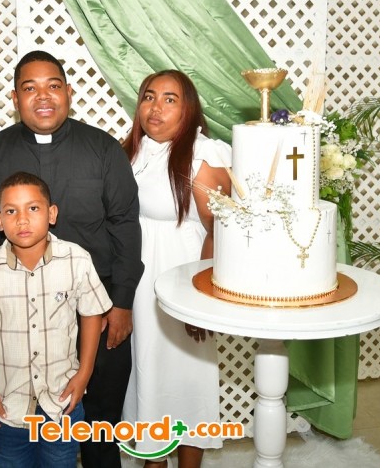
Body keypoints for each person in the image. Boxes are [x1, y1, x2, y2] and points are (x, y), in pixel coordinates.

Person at [0, 50, 143, 468]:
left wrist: (122, 302)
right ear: (15, 98)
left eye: (53, 86)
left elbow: (125, 226)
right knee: (23, 426)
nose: (43, 96)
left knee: (100, 424)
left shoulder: (103, 150)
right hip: (18, 313)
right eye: (30, 88)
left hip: (98, 309)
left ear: (69, 93)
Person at [0, 172, 112, 467]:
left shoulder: (76, 259)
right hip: (7, 407)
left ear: (51, 214)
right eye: (11, 211)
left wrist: (84, 374)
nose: (22, 219)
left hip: (61, 405)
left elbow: (92, 314)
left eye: (33, 208)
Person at [121, 70, 232, 467]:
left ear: (189, 109)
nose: (156, 107)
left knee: (186, 382)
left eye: (170, 99)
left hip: (182, 284)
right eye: (149, 97)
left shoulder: (202, 157)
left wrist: (199, 302)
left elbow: (221, 232)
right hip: (140, 285)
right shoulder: (131, 152)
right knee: (148, 377)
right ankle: (153, 461)